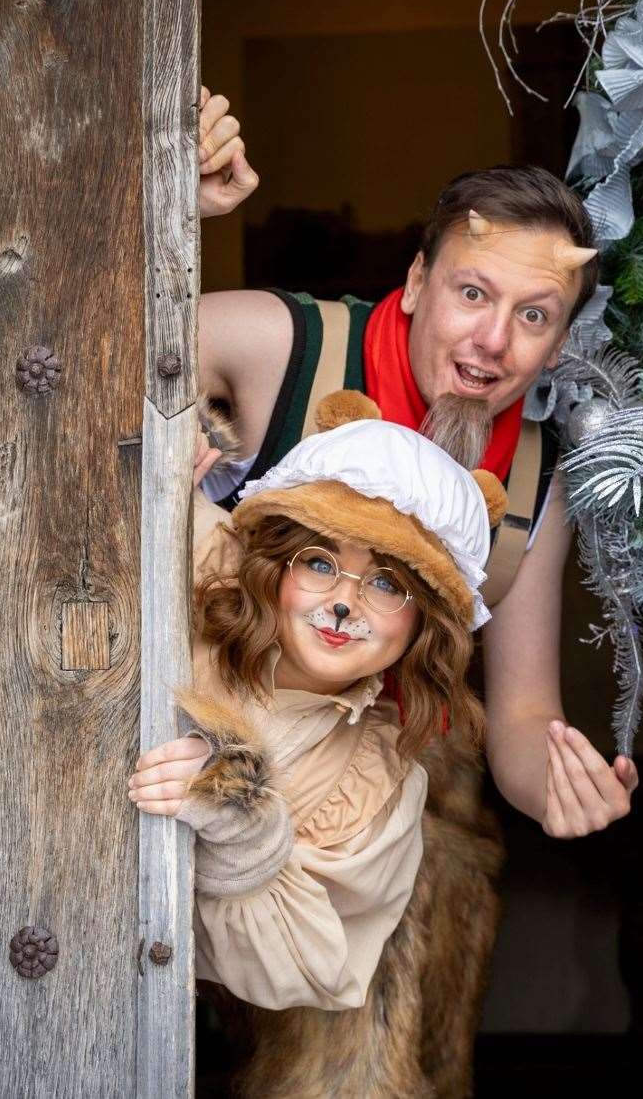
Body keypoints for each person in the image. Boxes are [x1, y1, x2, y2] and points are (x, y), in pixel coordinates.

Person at [174, 86, 639, 840]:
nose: (493, 339)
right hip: (179, 756)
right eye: (471, 292)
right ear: (418, 283)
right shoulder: (281, 348)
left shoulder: (530, 486)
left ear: (557, 346)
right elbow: (86, 353)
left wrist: (555, 787)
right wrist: (177, 210)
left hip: (346, 823)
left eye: (532, 315)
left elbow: (522, 710)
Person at [128, 400, 505, 1096]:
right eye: (320, 562)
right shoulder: (208, 571)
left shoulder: (379, 784)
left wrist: (243, 825)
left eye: (387, 583)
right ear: (273, 563)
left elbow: (306, 966)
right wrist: (167, 462)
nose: (343, 601)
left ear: (422, 625)